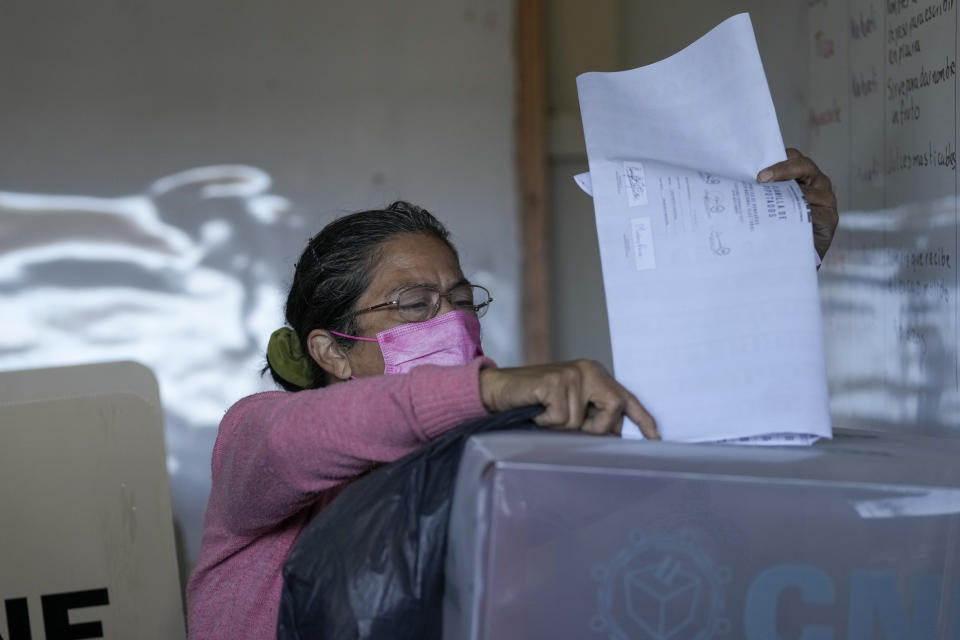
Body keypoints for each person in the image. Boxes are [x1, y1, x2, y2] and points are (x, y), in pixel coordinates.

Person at [185, 149, 838, 639]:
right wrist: (489, 388)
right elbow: (302, 436)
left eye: (462, 301)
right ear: (332, 350)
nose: (451, 322)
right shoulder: (259, 430)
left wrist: (776, 263)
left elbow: (663, 425)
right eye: (415, 304)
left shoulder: (498, 441)